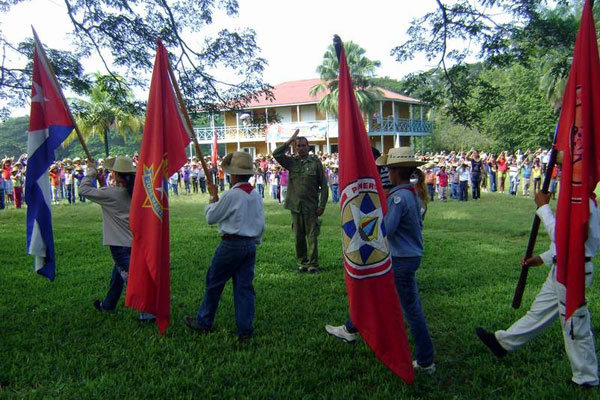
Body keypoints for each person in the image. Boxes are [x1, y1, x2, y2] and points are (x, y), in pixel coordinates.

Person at [325, 147, 435, 374]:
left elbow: (386, 229)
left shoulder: (398, 197)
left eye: (388, 169)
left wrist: (362, 224)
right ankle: (351, 327)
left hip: (400, 258)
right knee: (372, 292)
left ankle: (425, 360)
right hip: (409, 255)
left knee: (411, 309)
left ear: (395, 172)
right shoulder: (412, 193)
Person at [476, 189, 600, 388]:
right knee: (538, 312)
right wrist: (543, 258)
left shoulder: (581, 201)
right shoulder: (577, 198)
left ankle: (586, 378)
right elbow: (565, 243)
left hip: (574, 271)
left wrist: (543, 207)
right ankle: (502, 343)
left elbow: (564, 239)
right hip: (562, 267)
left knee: (575, 325)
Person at [184, 152, 264, 340]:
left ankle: (204, 321)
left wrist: (212, 200)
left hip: (231, 245)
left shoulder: (232, 194)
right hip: (250, 245)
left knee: (214, 282)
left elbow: (212, 217)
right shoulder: (255, 195)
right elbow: (260, 224)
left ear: (233, 175)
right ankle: (245, 330)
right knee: (244, 288)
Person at [80, 156, 155, 322]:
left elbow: (83, 190)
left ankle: (148, 312)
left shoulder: (111, 194)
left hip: (119, 244)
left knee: (132, 277)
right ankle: (108, 304)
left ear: (116, 175)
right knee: (118, 274)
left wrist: (91, 172)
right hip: (134, 241)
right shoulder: (136, 192)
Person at [273, 129, 328, 273]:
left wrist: (322, 205)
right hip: (295, 205)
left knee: (312, 235)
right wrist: (289, 140)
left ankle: (313, 264)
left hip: (311, 206)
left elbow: (324, 186)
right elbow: (276, 154)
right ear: (295, 147)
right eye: (298, 145)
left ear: (308, 147)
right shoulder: (292, 162)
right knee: (298, 236)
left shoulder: (316, 163)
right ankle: (303, 263)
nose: (301, 148)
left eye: (304, 145)